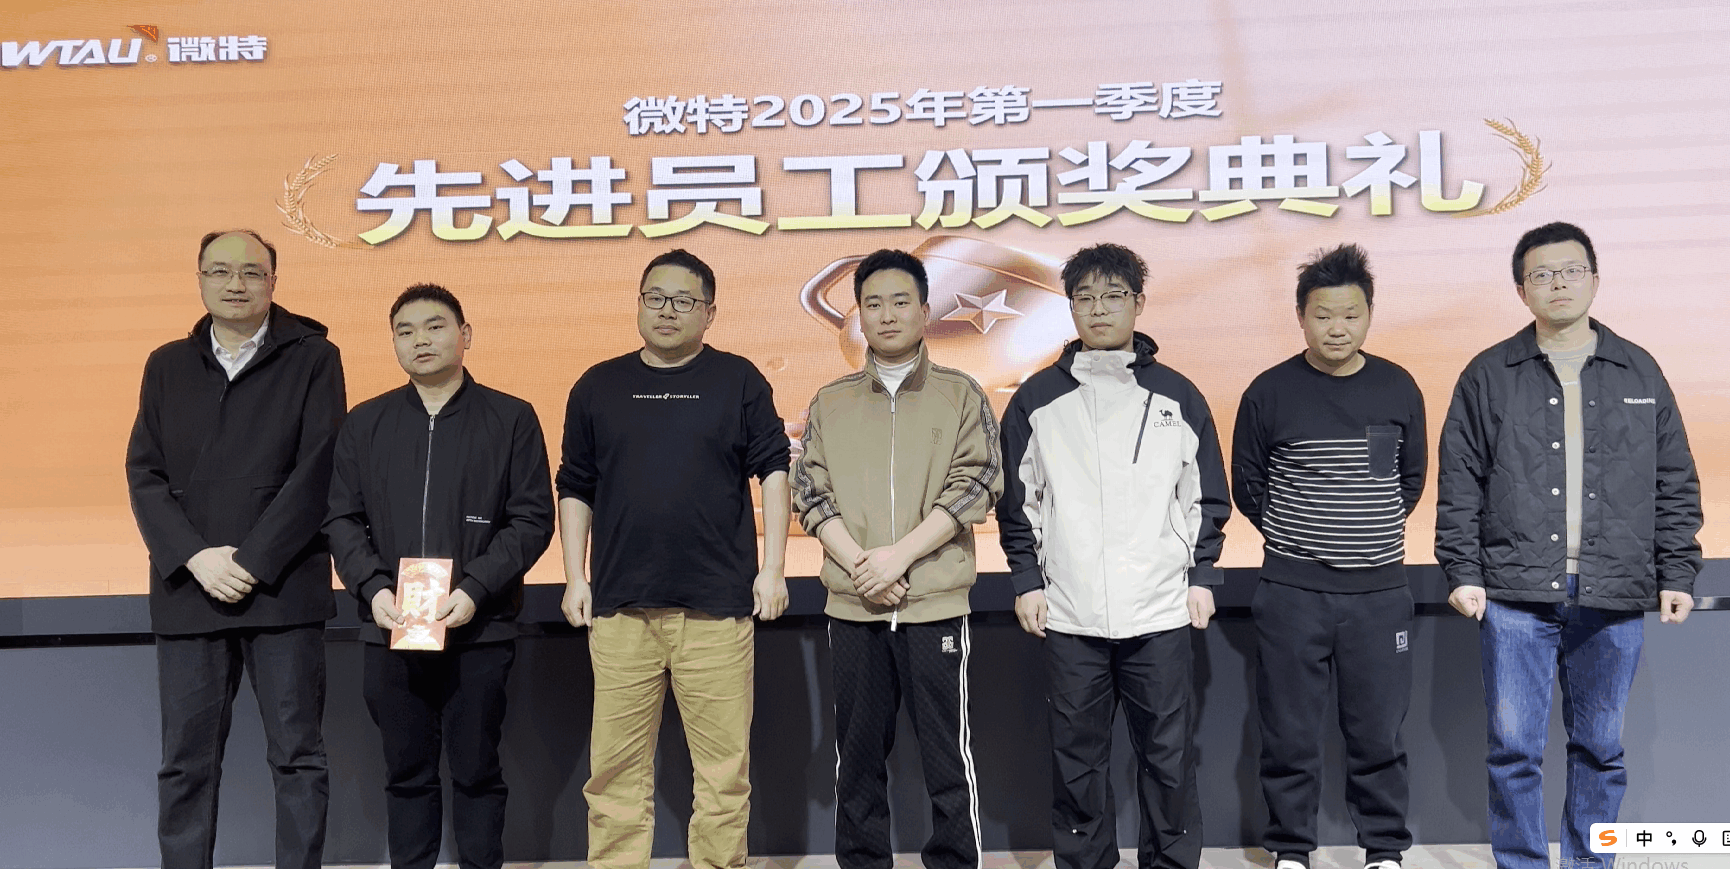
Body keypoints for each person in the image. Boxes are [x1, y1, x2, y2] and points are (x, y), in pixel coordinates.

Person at [1436, 222, 1703, 869]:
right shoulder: (1489, 374)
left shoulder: (1639, 368)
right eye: (1542, 274)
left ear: (1595, 278)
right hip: (1514, 593)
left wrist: (1678, 571)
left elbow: (1674, 477)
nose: (1558, 283)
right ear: (1521, 289)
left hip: (1614, 591)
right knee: (1513, 750)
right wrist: (1462, 569)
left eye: (1572, 270)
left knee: (1601, 749)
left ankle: (1590, 862)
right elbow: (1459, 479)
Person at [996, 242, 1230, 869]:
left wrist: (1202, 575)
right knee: (1077, 763)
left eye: (1113, 295)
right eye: (1085, 297)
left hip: (1160, 611)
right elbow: (1018, 503)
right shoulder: (1036, 399)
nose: (1099, 309)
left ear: (1138, 303)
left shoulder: (1178, 395)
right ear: (1069, 307)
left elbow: (1205, 496)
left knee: (1168, 759)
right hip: (1071, 614)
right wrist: (1026, 580)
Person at [557, 249, 791, 869]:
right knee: (613, 772)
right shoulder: (597, 385)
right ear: (638, 304)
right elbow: (575, 484)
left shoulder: (738, 379)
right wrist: (574, 576)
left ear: (709, 313)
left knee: (723, 774)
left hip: (717, 611)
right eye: (655, 298)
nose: (667, 310)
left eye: (684, 300)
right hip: (620, 611)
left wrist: (772, 569)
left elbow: (774, 469)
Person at [125, 229, 345, 869]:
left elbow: (319, 470)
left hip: (283, 587)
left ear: (274, 281)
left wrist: (251, 561)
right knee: (184, 762)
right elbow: (145, 474)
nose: (236, 284)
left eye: (251, 272)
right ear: (199, 280)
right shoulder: (166, 363)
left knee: (298, 756)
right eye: (219, 271)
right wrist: (196, 557)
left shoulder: (314, 357)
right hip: (189, 590)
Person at [325, 283, 553, 869]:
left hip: (480, 628)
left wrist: (475, 589)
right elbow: (341, 519)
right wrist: (372, 588)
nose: (420, 340)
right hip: (390, 627)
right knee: (406, 773)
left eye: (434, 326)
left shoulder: (510, 417)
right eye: (405, 331)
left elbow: (531, 519)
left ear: (464, 334)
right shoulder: (364, 423)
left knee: (478, 770)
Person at [791, 249, 1004, 869]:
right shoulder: (830, 401)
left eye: (900, 302)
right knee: (857, 755)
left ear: (925, 310)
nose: (886, 315)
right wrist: (864, 567)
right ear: (858, 314)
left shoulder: (960, 394)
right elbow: (810, 491)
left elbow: (977, 482)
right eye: (873, 304)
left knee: (947, 754)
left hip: (933, 603)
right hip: (854, 606)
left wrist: (899, 559)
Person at [1230, 244, 1426, 869]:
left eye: (1350, 314)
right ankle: (1291, 850)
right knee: (1288, 734)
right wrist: (1301, 540)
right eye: (1322, 315)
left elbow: (1410, 480)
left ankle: (1384, 850)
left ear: (1369, 315)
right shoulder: (1270, 391)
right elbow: (1248, 485)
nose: (1336, 328)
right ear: (1300, 316)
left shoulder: (1397, 386)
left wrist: (1364, 535)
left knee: (1378, 732)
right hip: (1293, 594)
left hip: (1379, 594)